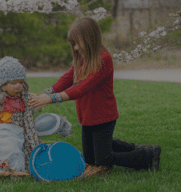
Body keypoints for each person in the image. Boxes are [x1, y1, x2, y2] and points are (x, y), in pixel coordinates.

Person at [30, 18, 161, 171]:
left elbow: (82, 88)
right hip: (87, 117)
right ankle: (134, 148)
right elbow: (67, 78)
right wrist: (46, 93)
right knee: (90, 159)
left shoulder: (104, 59)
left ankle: (148, 155)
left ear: (90, 39)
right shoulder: (83, 58)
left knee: (103, 159)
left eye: (78, 43)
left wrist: (52, 99)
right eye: (73, 44)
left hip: (103, 117)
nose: (76, 48)